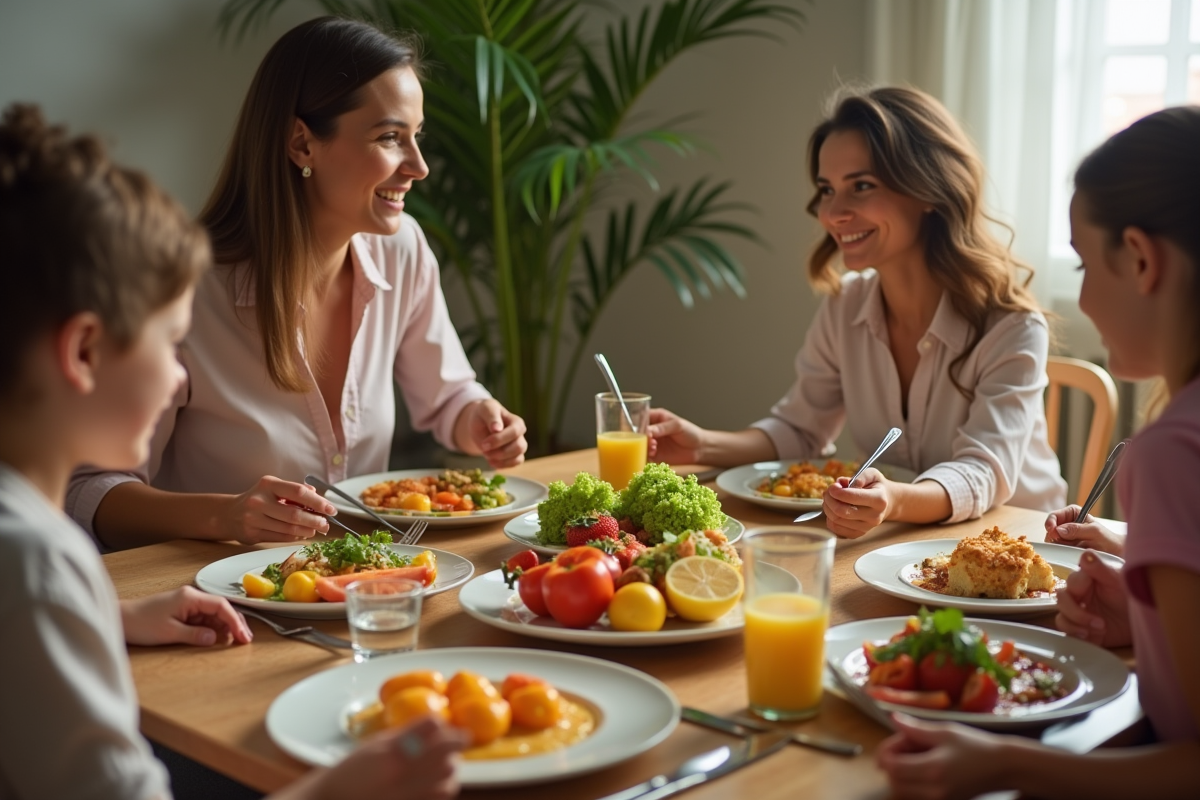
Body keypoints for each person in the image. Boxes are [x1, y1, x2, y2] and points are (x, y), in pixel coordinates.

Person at [0, 103, 466, 799]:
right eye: (167, 342)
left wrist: (107, 615)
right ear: (85, 352)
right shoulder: (34, 559)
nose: (182, 376)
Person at [67, 16, 527, 550]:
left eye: (416, 137)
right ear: (301, 144)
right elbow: (91, 492)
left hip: (352, 580)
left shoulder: (402, 250)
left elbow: (448, 395)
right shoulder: (181, 289)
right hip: (209, 601)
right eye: (389, 138)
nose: (419, 167)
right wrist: (224, 517)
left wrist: (480, 420)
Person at [876, 105, 1200, 800]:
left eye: (1084, 263)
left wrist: (1006, 766)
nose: (1078, 293)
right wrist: (1148, 624)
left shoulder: (1174, 452)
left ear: (1142, 259)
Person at [648, 86, 1066, 538]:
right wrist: (701, 445)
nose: (834, 213)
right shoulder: (846, 305)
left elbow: (983, 472)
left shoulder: (1010, 325)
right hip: (899, 540)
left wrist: (892, 499)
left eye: (861, 186)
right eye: (827, 190)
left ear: (929, 190)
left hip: (1015, 550)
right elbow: (800, 428)